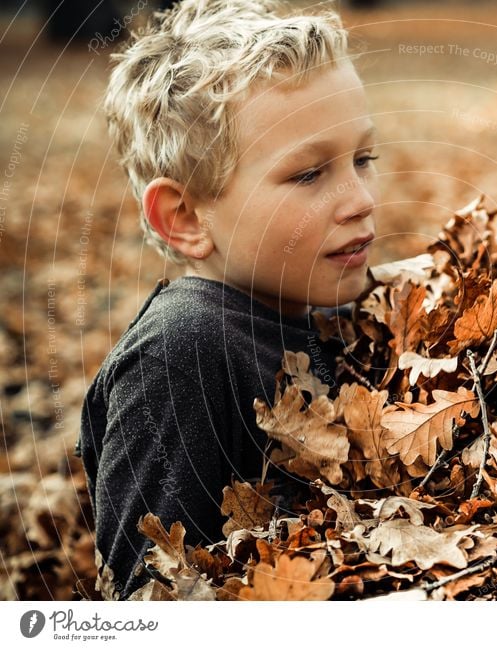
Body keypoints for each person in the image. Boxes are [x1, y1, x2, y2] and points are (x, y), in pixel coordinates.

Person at [76, 0, 380, 600]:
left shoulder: (331, 308)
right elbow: (151, 601)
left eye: (364, 159)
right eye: (308, 175)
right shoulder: (181, 353)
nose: (360, 198)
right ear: (185, 217)